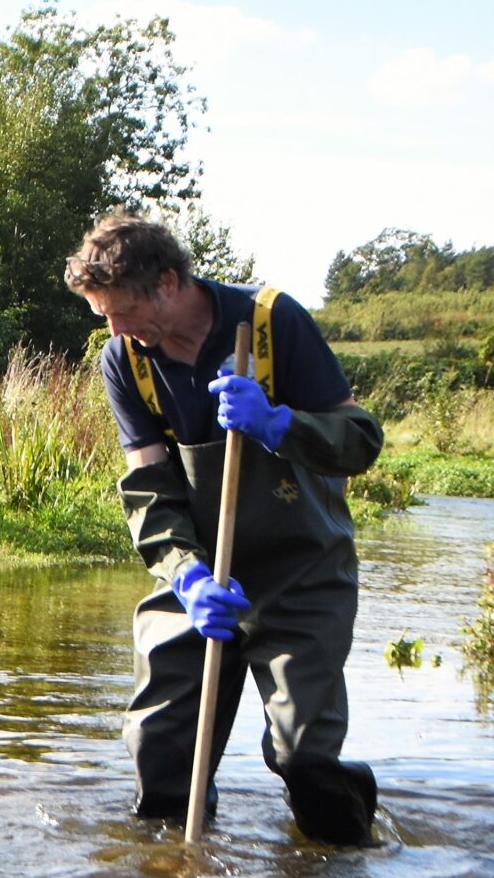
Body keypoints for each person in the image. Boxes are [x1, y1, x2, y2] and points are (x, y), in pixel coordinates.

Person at [62, 212, 384, 845]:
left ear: (171, 282)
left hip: (302, 573)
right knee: (160, 752)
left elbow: (361, 441)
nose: (115, 328)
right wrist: (186, 576)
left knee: (303, 760)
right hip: (204, 573)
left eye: (123, 310)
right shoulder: (125, 359)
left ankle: (346, 863)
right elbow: (150, 487)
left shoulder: (269, 323)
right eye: (104, 316)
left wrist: (281, 424)